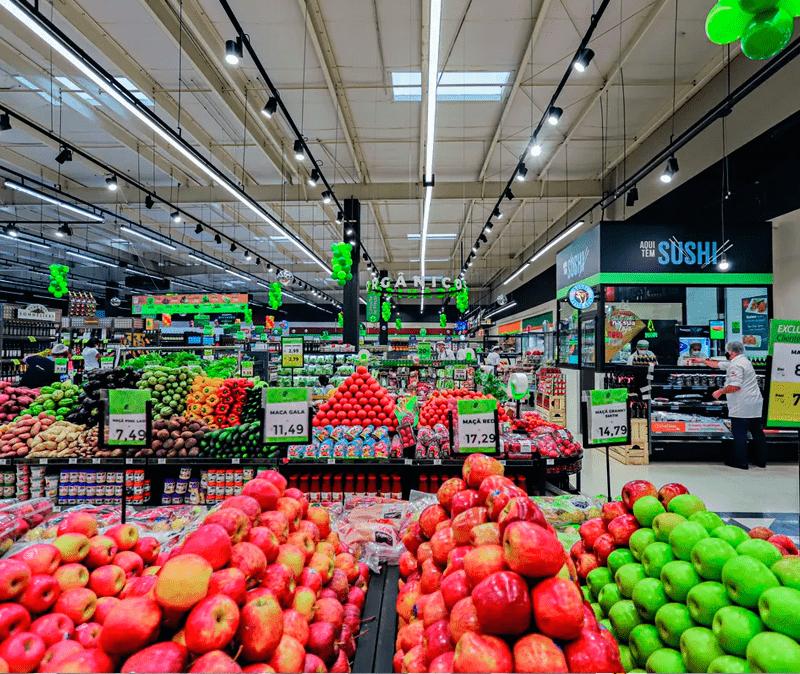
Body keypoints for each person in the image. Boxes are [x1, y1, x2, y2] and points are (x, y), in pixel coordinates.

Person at [702, 341, 766, 470]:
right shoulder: (744, 361)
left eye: (727, 351)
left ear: (731, 352)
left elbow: (735, 386)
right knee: (757, 432)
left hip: (742, 404)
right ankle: (761, 461)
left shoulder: (736, 365)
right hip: (755, 403)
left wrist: (720, 391)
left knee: (739, 433)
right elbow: (720, 364)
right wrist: (702, 361)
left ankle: (741, 462)